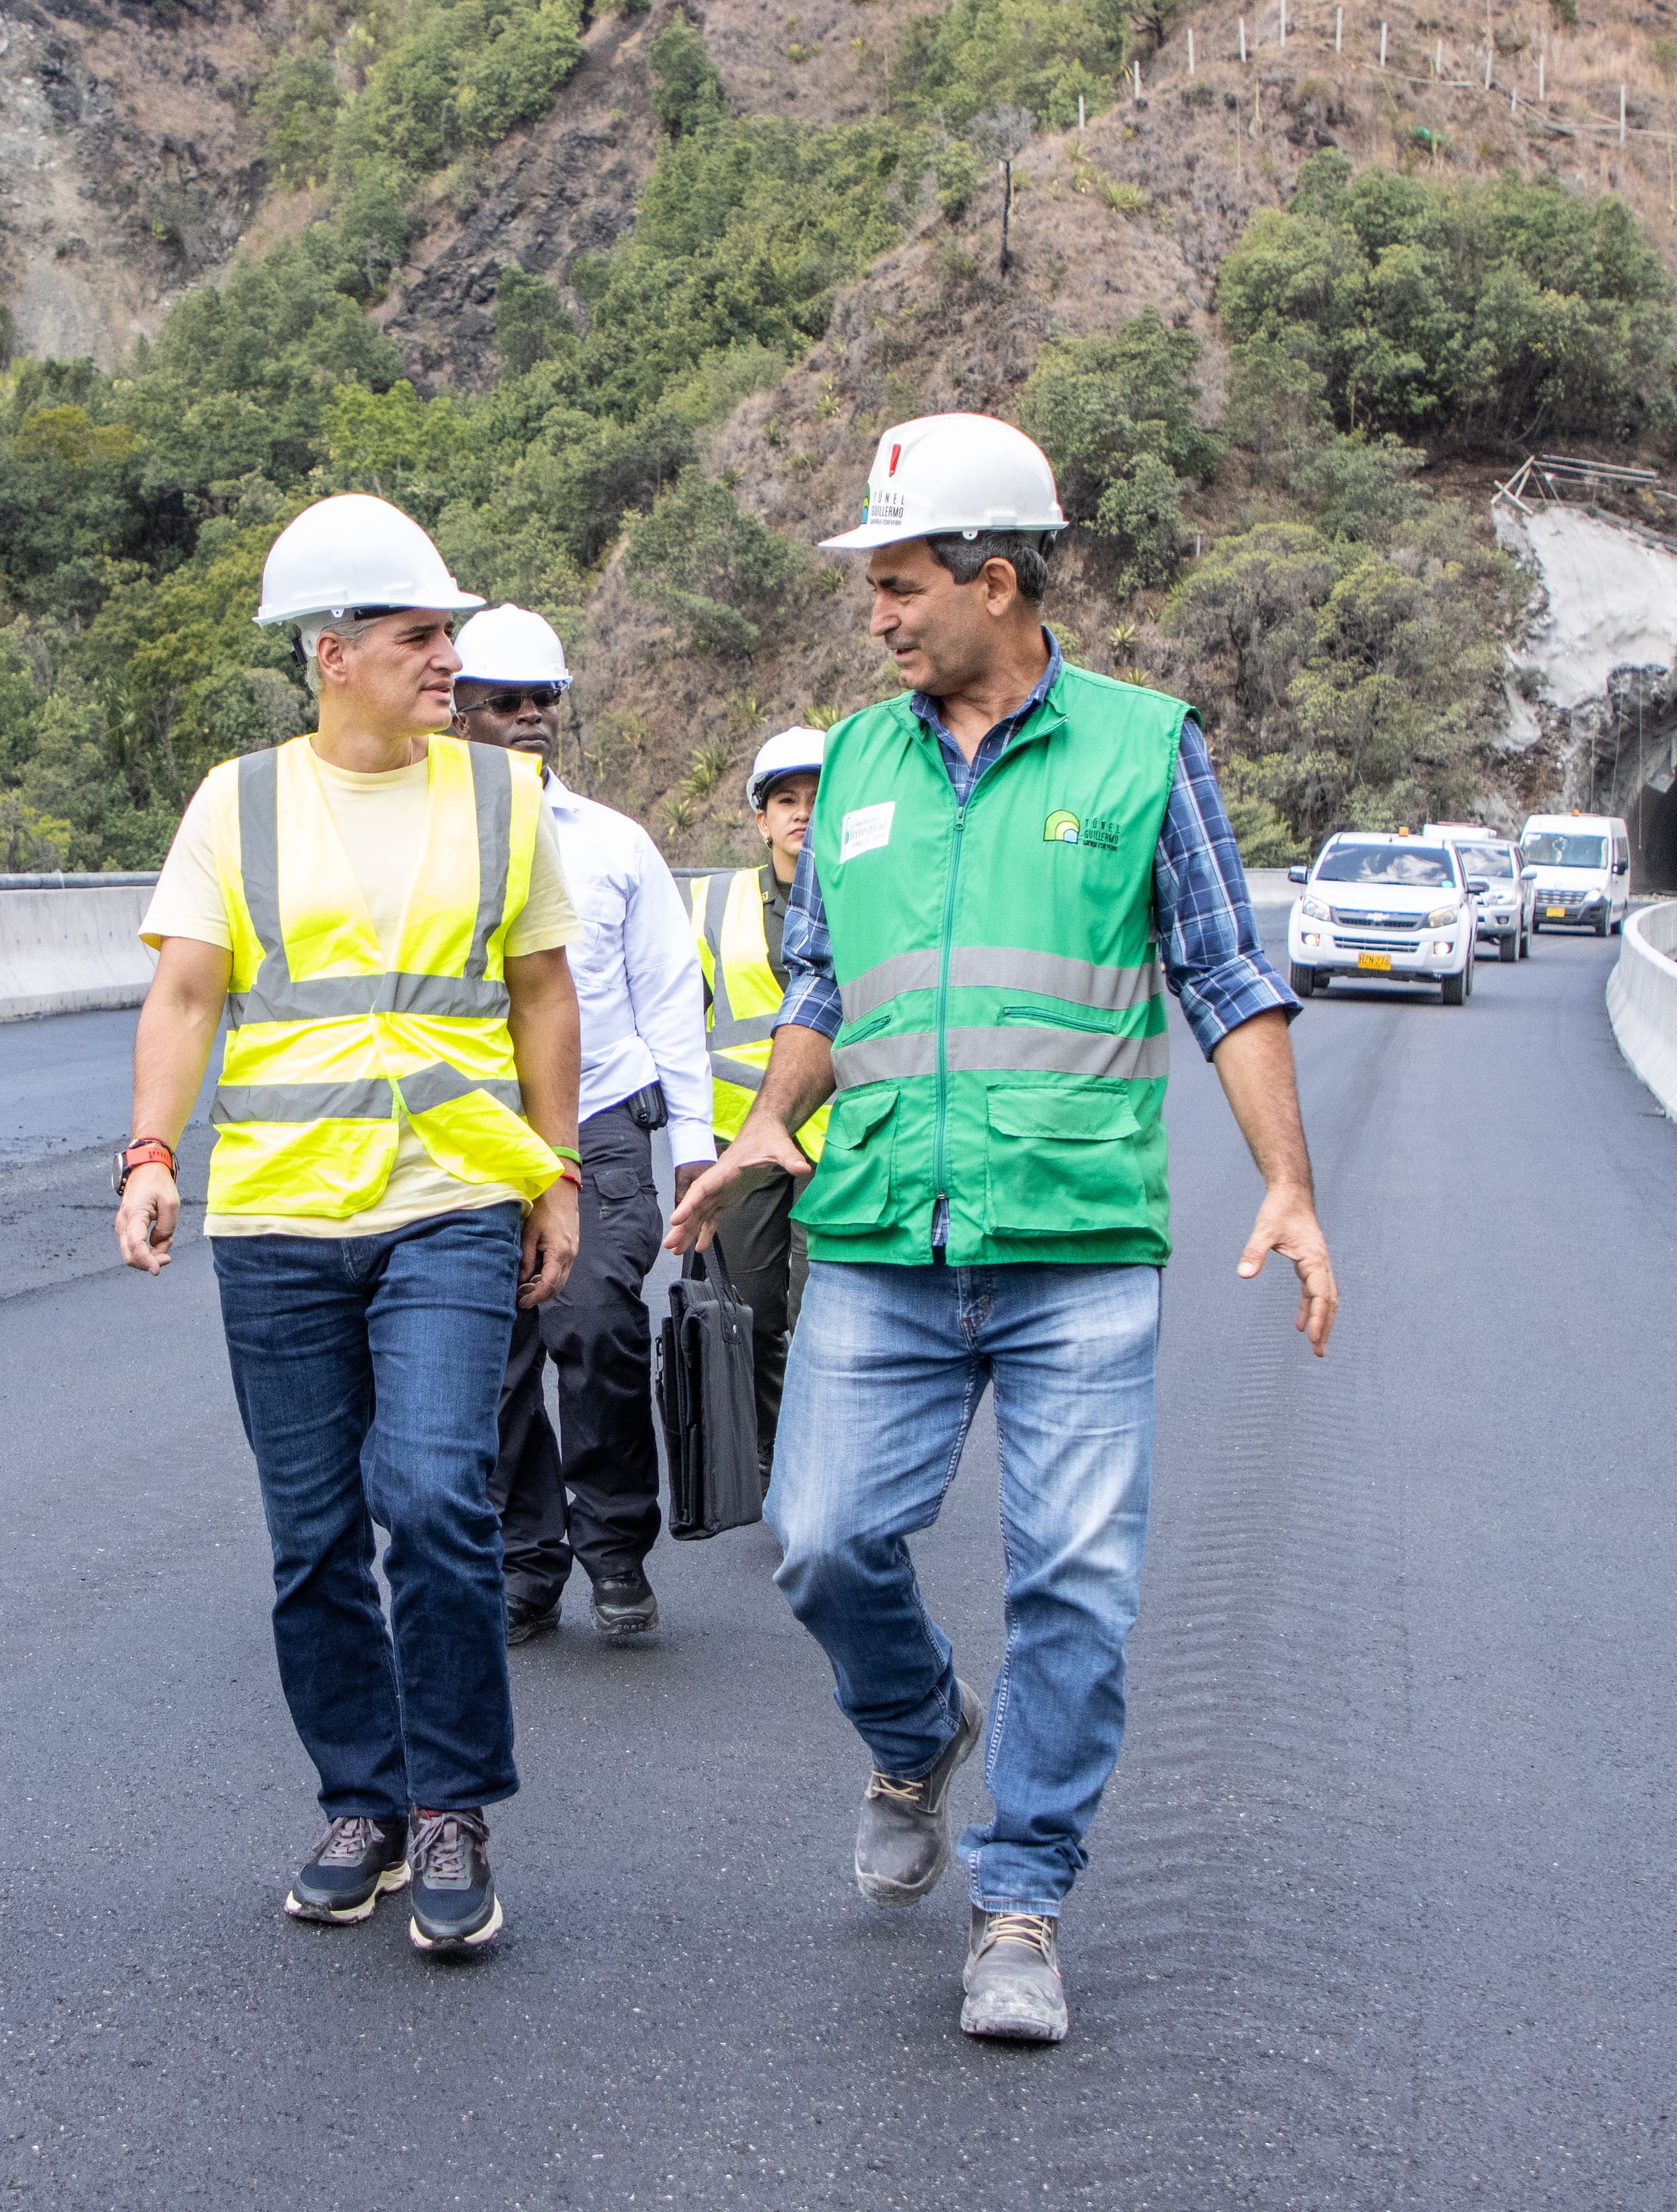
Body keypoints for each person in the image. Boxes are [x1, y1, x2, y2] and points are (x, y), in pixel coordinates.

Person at [664, 415, 1340, 2046]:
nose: (878, 617)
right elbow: (826, 981)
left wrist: (1289, 1181)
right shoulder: (859, 767)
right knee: (818, 1535)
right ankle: (915, 1726)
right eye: (873, 590)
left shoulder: (1139, 746)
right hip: (887, 1232)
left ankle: (1019, 1898)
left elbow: (1223, 974)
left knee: (1079, 1588)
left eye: (900, 585)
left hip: (1075, 1244)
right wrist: (769, 1115)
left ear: (995, 576)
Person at [116, 493, 584, 1958]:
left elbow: (543, 993)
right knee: (311, 1533)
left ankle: (452, 1804)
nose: (449, 655)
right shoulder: (236, 803)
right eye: (418, 634)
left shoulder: (503, 800)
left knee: (437, 1493)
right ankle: (362, 1803)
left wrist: (555, 1172)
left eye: (448, 631)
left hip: (448, 1197)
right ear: (332, 653)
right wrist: (149, 1151)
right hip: (274, 1219)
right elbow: (187, 991)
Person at [445, 605, 713, 1646]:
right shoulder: (429, 847)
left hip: (600, 1125)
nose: (527, 719)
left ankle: (614, 1549)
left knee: (597, 1326)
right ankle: (527, 1556)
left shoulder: (613, 846)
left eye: (541, 701)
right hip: (472, 1136)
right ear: (456, 712)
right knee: (493, 1354)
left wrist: (696, 1147)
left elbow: (667, 996)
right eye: (502, 702)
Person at [688, 727, 832, 1473]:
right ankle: (770, 1454)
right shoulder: (712, 904)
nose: (801, 812)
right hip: (738, 1141)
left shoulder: (867, 898)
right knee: (749, 1309)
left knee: (822, 1315)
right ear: (758, 814)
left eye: (816, 797)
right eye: (785, 799)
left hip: (842, 1142)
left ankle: (810, 1464)